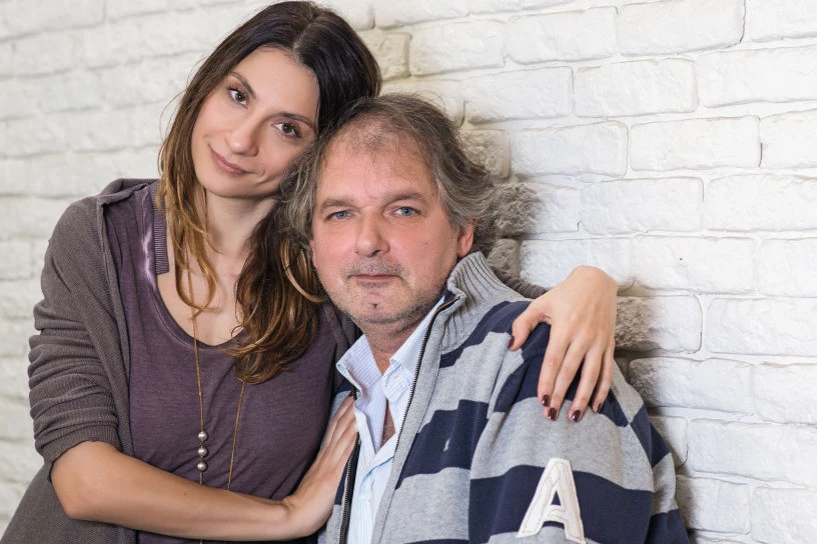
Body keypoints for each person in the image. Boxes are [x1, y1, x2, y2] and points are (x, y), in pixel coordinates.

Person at [3, 3, 618, 544]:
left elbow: (451, 296)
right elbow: (83, 480)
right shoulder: (100, 240)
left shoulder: (329, 268)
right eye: (237, 95)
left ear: (320, 152)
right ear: (206, 86)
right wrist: (287, 516)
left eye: (286, 128)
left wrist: (589, 287)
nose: (240, 140)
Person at [280, 93, 687, 543]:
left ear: (463, 230)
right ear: (311, 245)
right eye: (340, 214)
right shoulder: (342, 391)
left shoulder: (537, 359)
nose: (367, 241)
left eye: (403, 210)